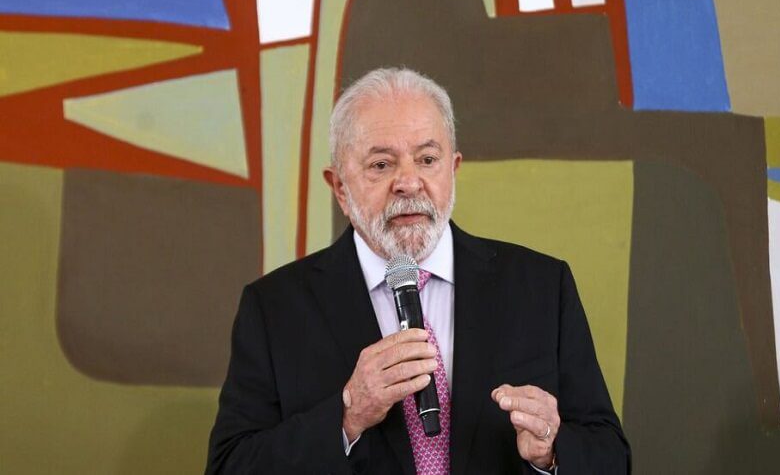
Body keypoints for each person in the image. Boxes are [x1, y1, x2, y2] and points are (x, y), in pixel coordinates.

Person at [206, 68, 630, 474]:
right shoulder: (274, 308)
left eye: (427, 159)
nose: (408, 183)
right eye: (381, 165)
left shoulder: (541, 287)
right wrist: (347, 415)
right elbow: (230, 466)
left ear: (453, 169)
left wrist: (551, 451)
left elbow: (610, 456)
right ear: (340, 188)